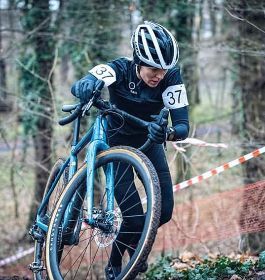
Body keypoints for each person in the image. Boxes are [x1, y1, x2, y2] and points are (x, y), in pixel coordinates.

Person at [71, 21, 189, 279]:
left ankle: (132, 244)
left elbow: (182, 125)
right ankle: (115, 266)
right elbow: (94, 77)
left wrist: (167, 133)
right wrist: (86, 83)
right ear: (138, 61)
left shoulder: (170, 77)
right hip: (118, 146)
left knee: (164, 211)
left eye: (163, 69)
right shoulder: (120, 69)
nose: (159, 75)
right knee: (134, 217)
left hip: (150, 143)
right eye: (153, 68)